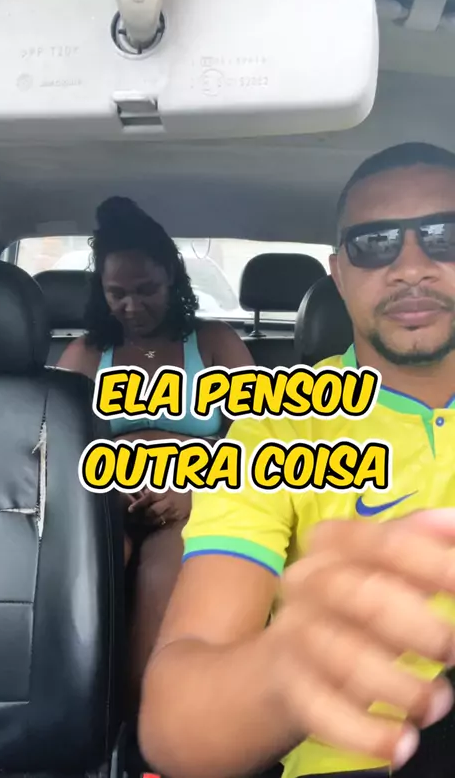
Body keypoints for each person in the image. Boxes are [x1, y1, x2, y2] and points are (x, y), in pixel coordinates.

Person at [138, 142, 455, 778]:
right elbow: (177, 722)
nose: (411, 267)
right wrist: (290, 667)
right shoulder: (279, 428)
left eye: (443, 236)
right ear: (337, 273)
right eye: (374, 243)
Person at [57, 196, 254, 700]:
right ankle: (82, 713)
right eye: (117, 293)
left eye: (146, 290)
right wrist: (103, 493)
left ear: (172, 278)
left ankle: (151, 719)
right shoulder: (85, 354)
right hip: (103, 504)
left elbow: (259, 445)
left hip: (194, 503)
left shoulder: (214, 344)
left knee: (163, 573)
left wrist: (198, 491)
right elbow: (52, 451)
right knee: (88, 573)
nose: (131, 306)